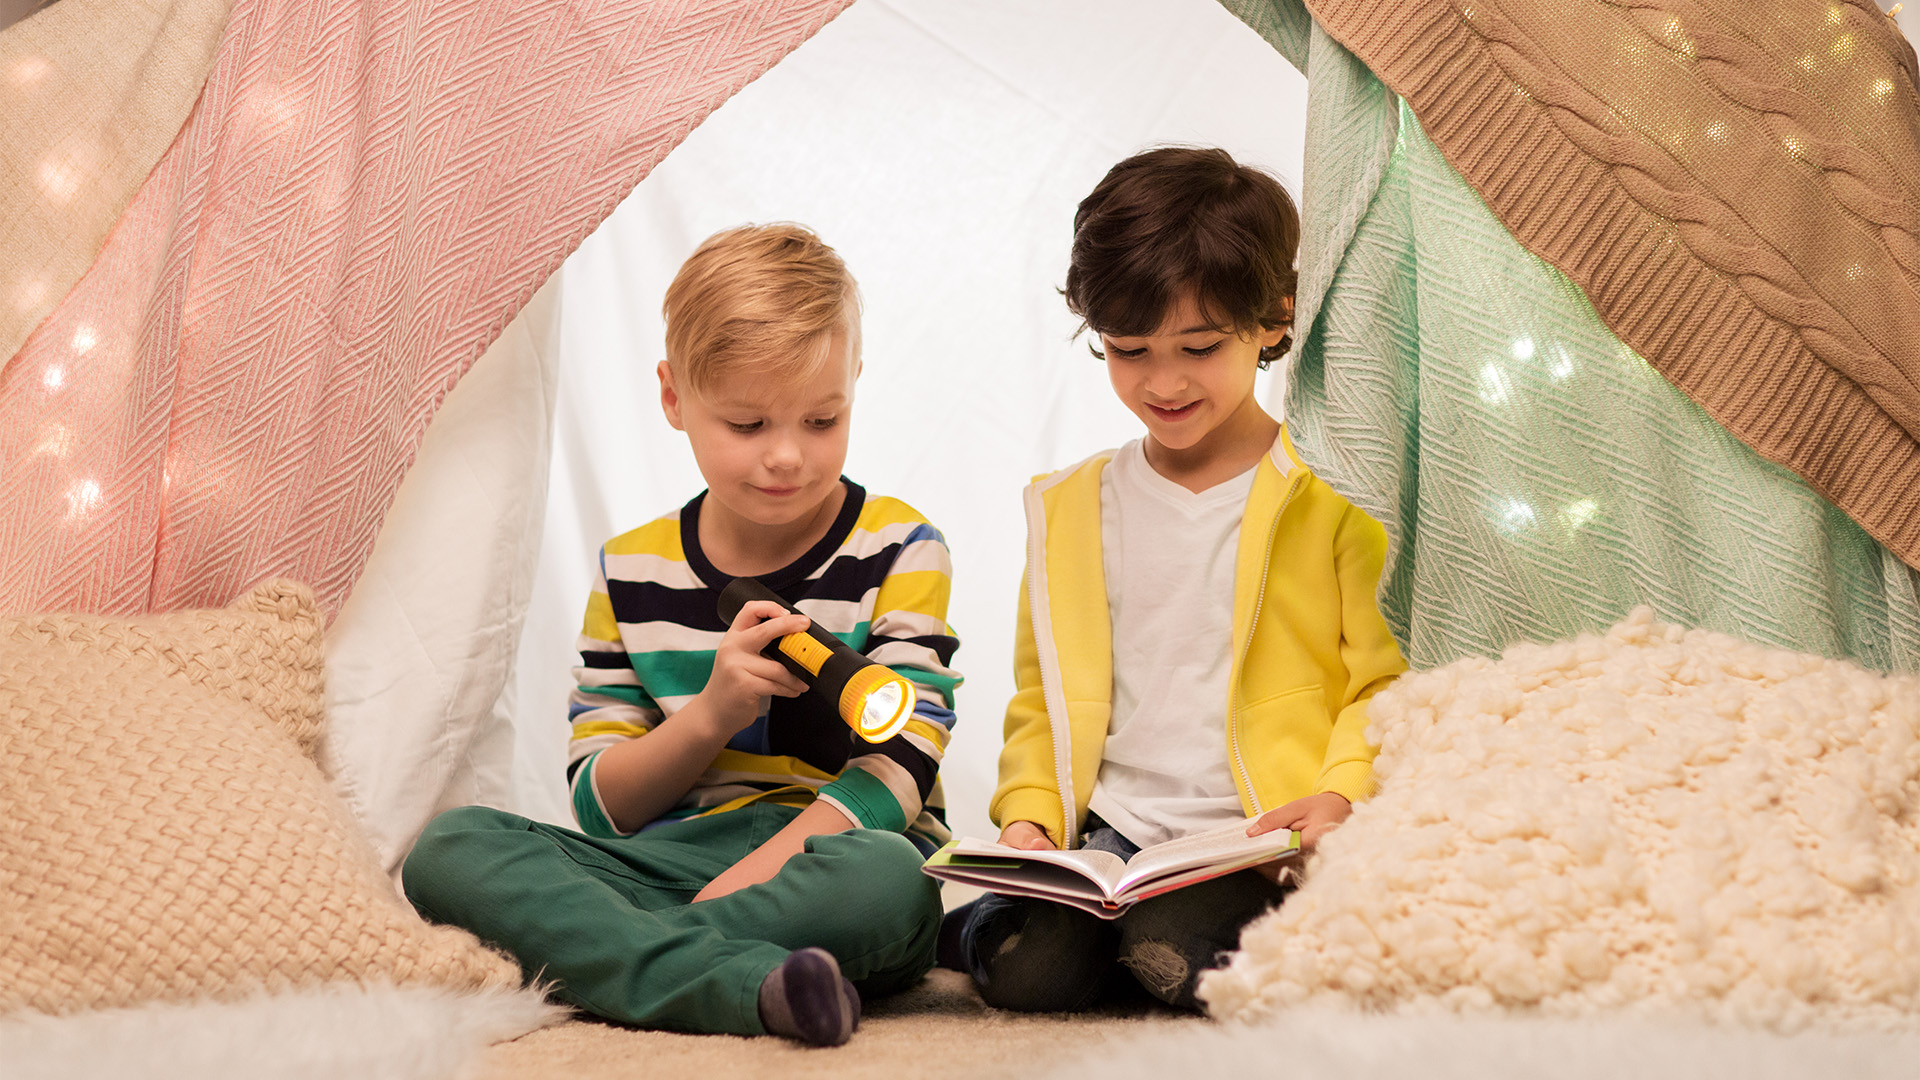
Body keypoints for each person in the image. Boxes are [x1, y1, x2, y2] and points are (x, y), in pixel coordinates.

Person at [403, 224, 961, 1046]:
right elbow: (601, 806)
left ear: (856, 386)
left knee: (890, 883)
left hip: (829, 851)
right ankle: (745, 982)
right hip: (671, 861)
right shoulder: (632, 570)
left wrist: (727, 892)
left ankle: (633, 957)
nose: (786, 457)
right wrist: (710, 714)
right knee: (448, 848)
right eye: (746, 424)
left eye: (821, 419)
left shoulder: (902, 548)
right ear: (674, 398)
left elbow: (901, 765)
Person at [944, 147, 1407, 1013]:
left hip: (1255, 837)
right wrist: (1032, 814)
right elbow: (1044, 695)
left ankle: (1129, 942)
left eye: (1199, 346)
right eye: (1129, 350)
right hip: (1110, 839)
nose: (1162, 382)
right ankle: (987, 924)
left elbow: (1380, 681)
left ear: (1274, 319)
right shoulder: (1071, 506)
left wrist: (1340, 794)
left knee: (1174, 954)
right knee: (1026, 975)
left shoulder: (1333, 493)